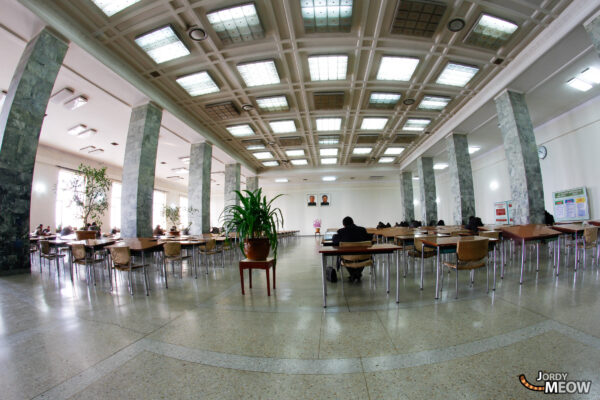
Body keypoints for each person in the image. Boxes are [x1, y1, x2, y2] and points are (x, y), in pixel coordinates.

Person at [332, 216, 372, 282]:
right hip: (364, 258)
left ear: (343, 225)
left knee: (345, 256)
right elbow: (369, 239)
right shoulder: (362, 230)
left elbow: (335, 241)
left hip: (347, 258)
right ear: (353, 222)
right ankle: (357, 273)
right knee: (361, 256)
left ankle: (353, 274)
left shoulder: (341, 231)